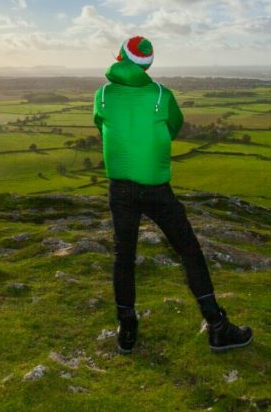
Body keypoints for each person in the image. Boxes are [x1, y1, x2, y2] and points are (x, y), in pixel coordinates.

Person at [92, 36, 253, 354]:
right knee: (189, 251)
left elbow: (102, 126)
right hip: (156, 187)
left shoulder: (103, 94)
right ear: (148, 63)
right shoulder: (162, 95)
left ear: (120, 57)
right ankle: (217, 327)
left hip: (119, 187)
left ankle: (127, 329)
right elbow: (174, 126)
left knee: (123, 256)